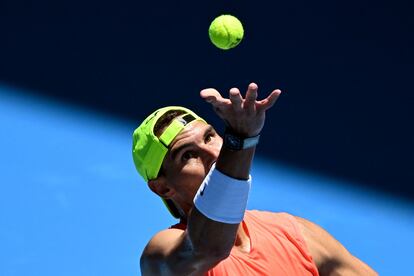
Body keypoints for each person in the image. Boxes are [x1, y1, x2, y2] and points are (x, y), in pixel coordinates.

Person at [132, 83, 377, 275]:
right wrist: (240, 140)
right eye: (188, 155)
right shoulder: (160, 257)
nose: (213, 154)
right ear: (162, 187)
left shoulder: (296, 234)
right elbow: (209, 248)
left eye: (210, 137)